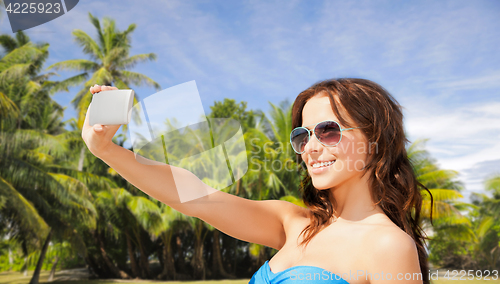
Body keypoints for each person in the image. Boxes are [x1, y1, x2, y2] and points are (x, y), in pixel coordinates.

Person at [83, 78, 431, 284]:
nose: (310, 147)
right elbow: (194, 197)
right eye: (302, 135)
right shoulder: (294, 222)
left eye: (327, 131)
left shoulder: (389, 246)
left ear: (377, 140)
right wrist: (106, 150)